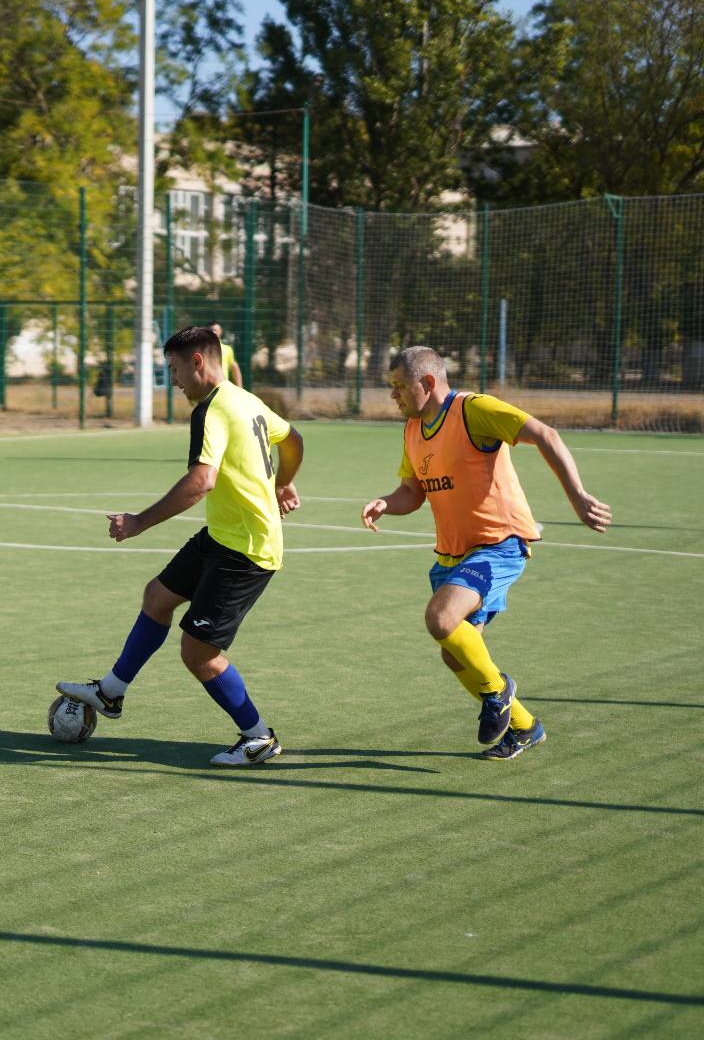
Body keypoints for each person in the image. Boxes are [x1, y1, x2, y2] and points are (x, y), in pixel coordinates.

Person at [57, 326, 304, 765]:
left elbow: (200, 482)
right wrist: (283, 481)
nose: (173, 380)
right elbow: (294, 438)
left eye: (174, 369)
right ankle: (111, 692)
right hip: (223, 535)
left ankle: (259, 736)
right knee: (157, 596)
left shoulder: (212, 410)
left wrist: (138, 523)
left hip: (246, 550)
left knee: (199, 652)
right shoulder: (245, 399)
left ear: (198, 362)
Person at [361, 346, 611, 760]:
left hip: (498, 543)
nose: (394, 396)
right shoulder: (412, 430)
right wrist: (388, 502)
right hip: (452, 554)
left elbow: (544, 434)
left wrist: (578, 496)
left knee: (440, 618)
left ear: (426, 383)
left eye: (399, 387)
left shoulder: (473, 410)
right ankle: (526, 726)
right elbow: (412, 492)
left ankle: (498, 691)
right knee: (454, 652)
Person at [209, 322, 243, 388]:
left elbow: (235, 368)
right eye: (210, 330)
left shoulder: (227, 349)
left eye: (215, 330)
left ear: (220, 331)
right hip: (207, 389)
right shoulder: (201, 350)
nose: (213, 332)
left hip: (223, 388)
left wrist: (240, 387)